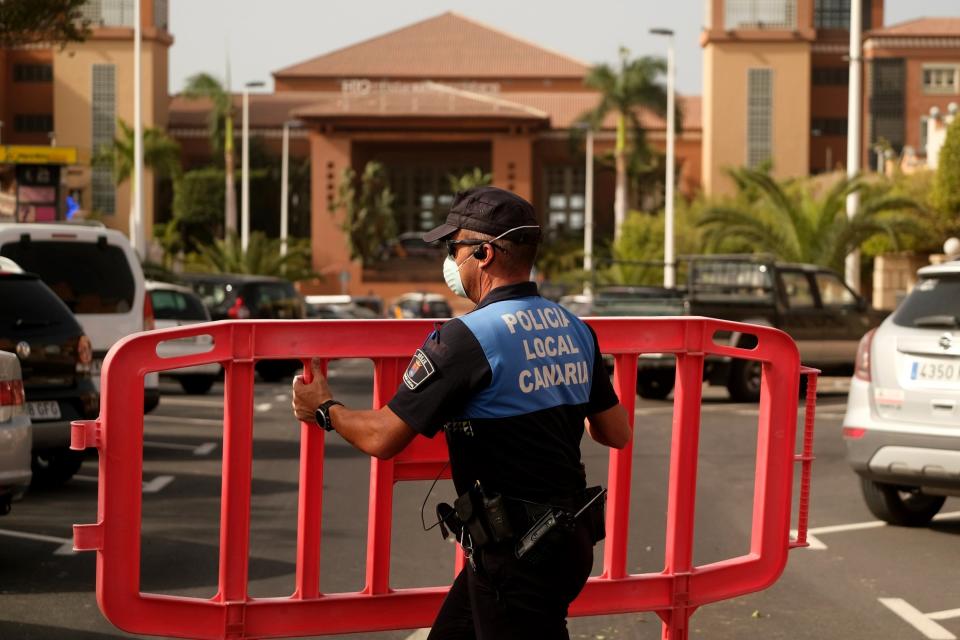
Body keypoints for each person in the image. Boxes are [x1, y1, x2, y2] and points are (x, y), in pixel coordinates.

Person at [292, 186, 631, 639]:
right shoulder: (574, 328)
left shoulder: (465, 339)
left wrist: (324, 409)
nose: (451, 262)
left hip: (518, 557)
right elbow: (615, 432)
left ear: (485, 254)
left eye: (455, 249)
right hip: (562, 542)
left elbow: (383, 436)